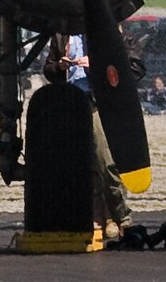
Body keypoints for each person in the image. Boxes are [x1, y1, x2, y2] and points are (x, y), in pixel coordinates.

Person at [56, 33, 132, 239]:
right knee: (81, 162)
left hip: (98, 102)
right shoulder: (62, 36)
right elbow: (49, 67)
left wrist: (97, 66)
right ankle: (96, 216)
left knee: (105, 161)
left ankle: (119, 216)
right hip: (73, 100)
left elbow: (132, 67)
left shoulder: (110, 31)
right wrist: (59, 67)